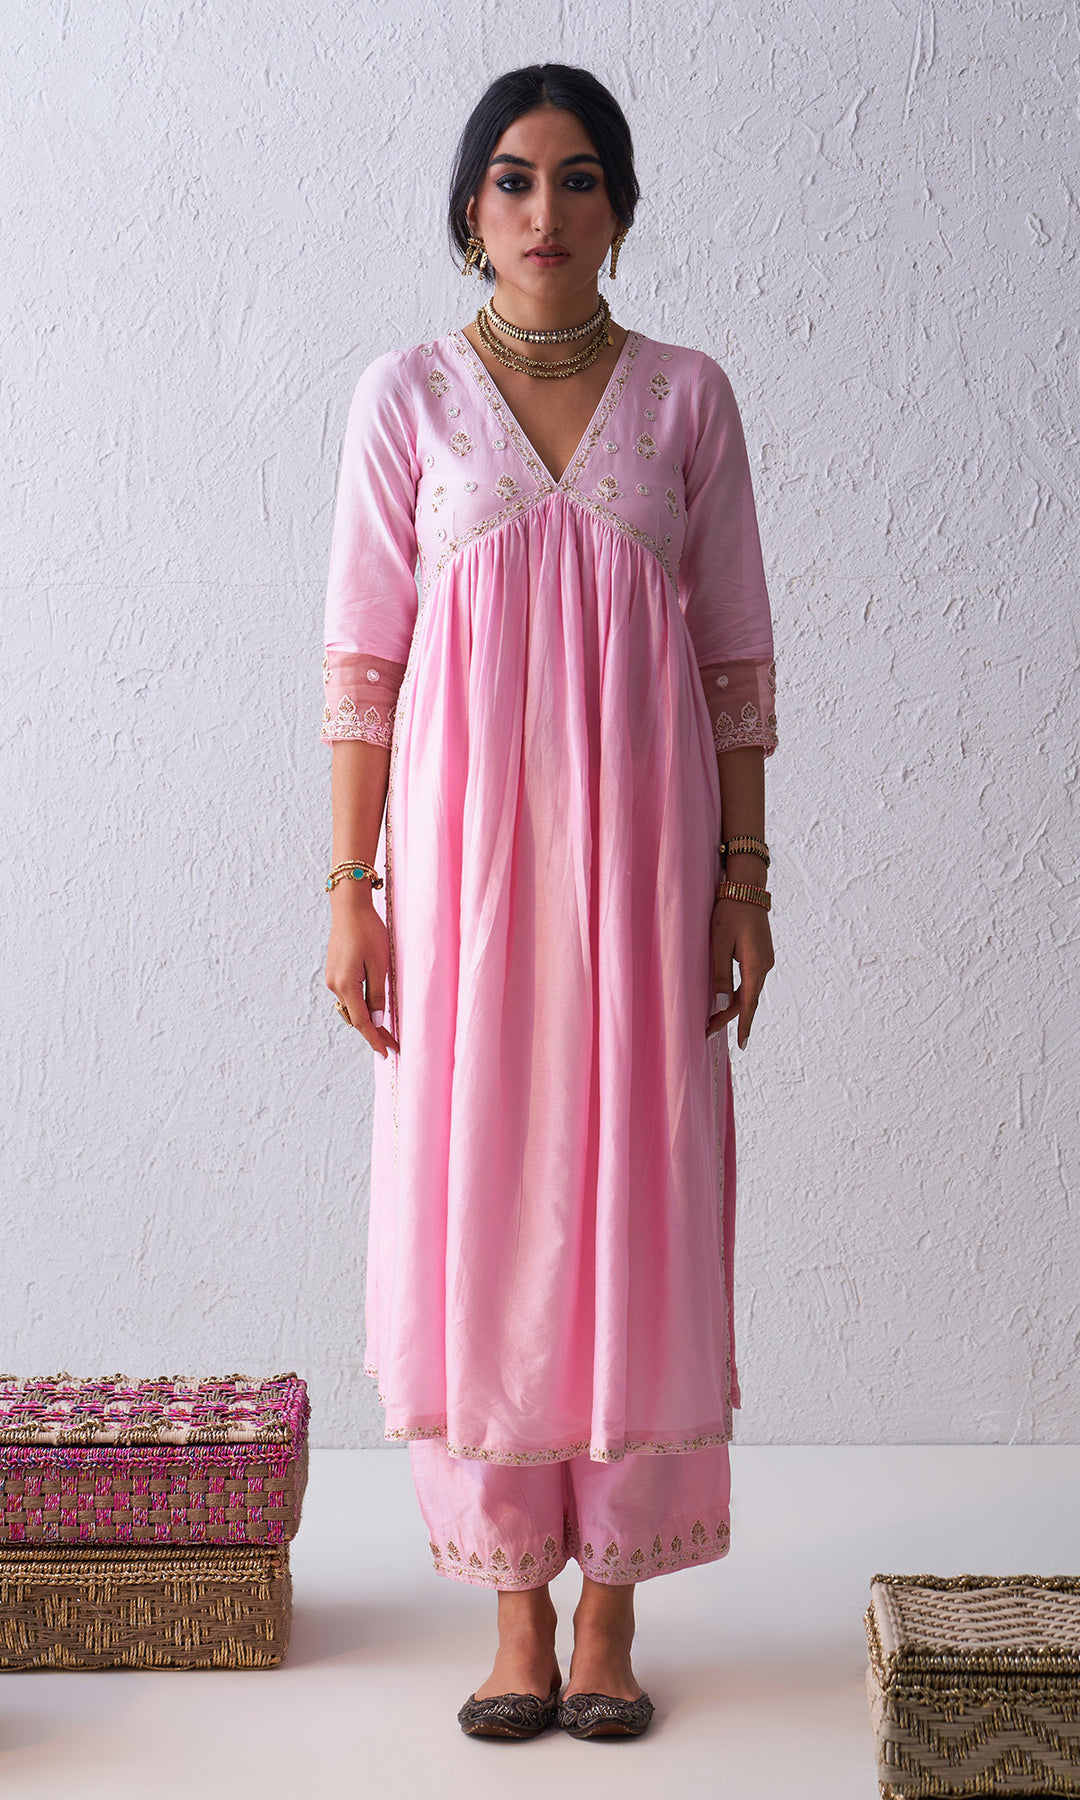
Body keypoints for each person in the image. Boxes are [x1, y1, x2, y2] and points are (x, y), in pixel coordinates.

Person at [321, 63, 778, 1742]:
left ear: (621, 210)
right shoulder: (407, 398)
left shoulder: (689, 399)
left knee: (637, 1189)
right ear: (471, 212)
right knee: (486, 1195)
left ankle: (612, 1614)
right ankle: (514, 1608)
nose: (545, 210)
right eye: (513, 180)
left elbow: (736, 663)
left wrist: (744, 880)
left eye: (579, 179)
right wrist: (353, 889)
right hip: (464, 883)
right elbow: (364, 664)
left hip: (645, 872)